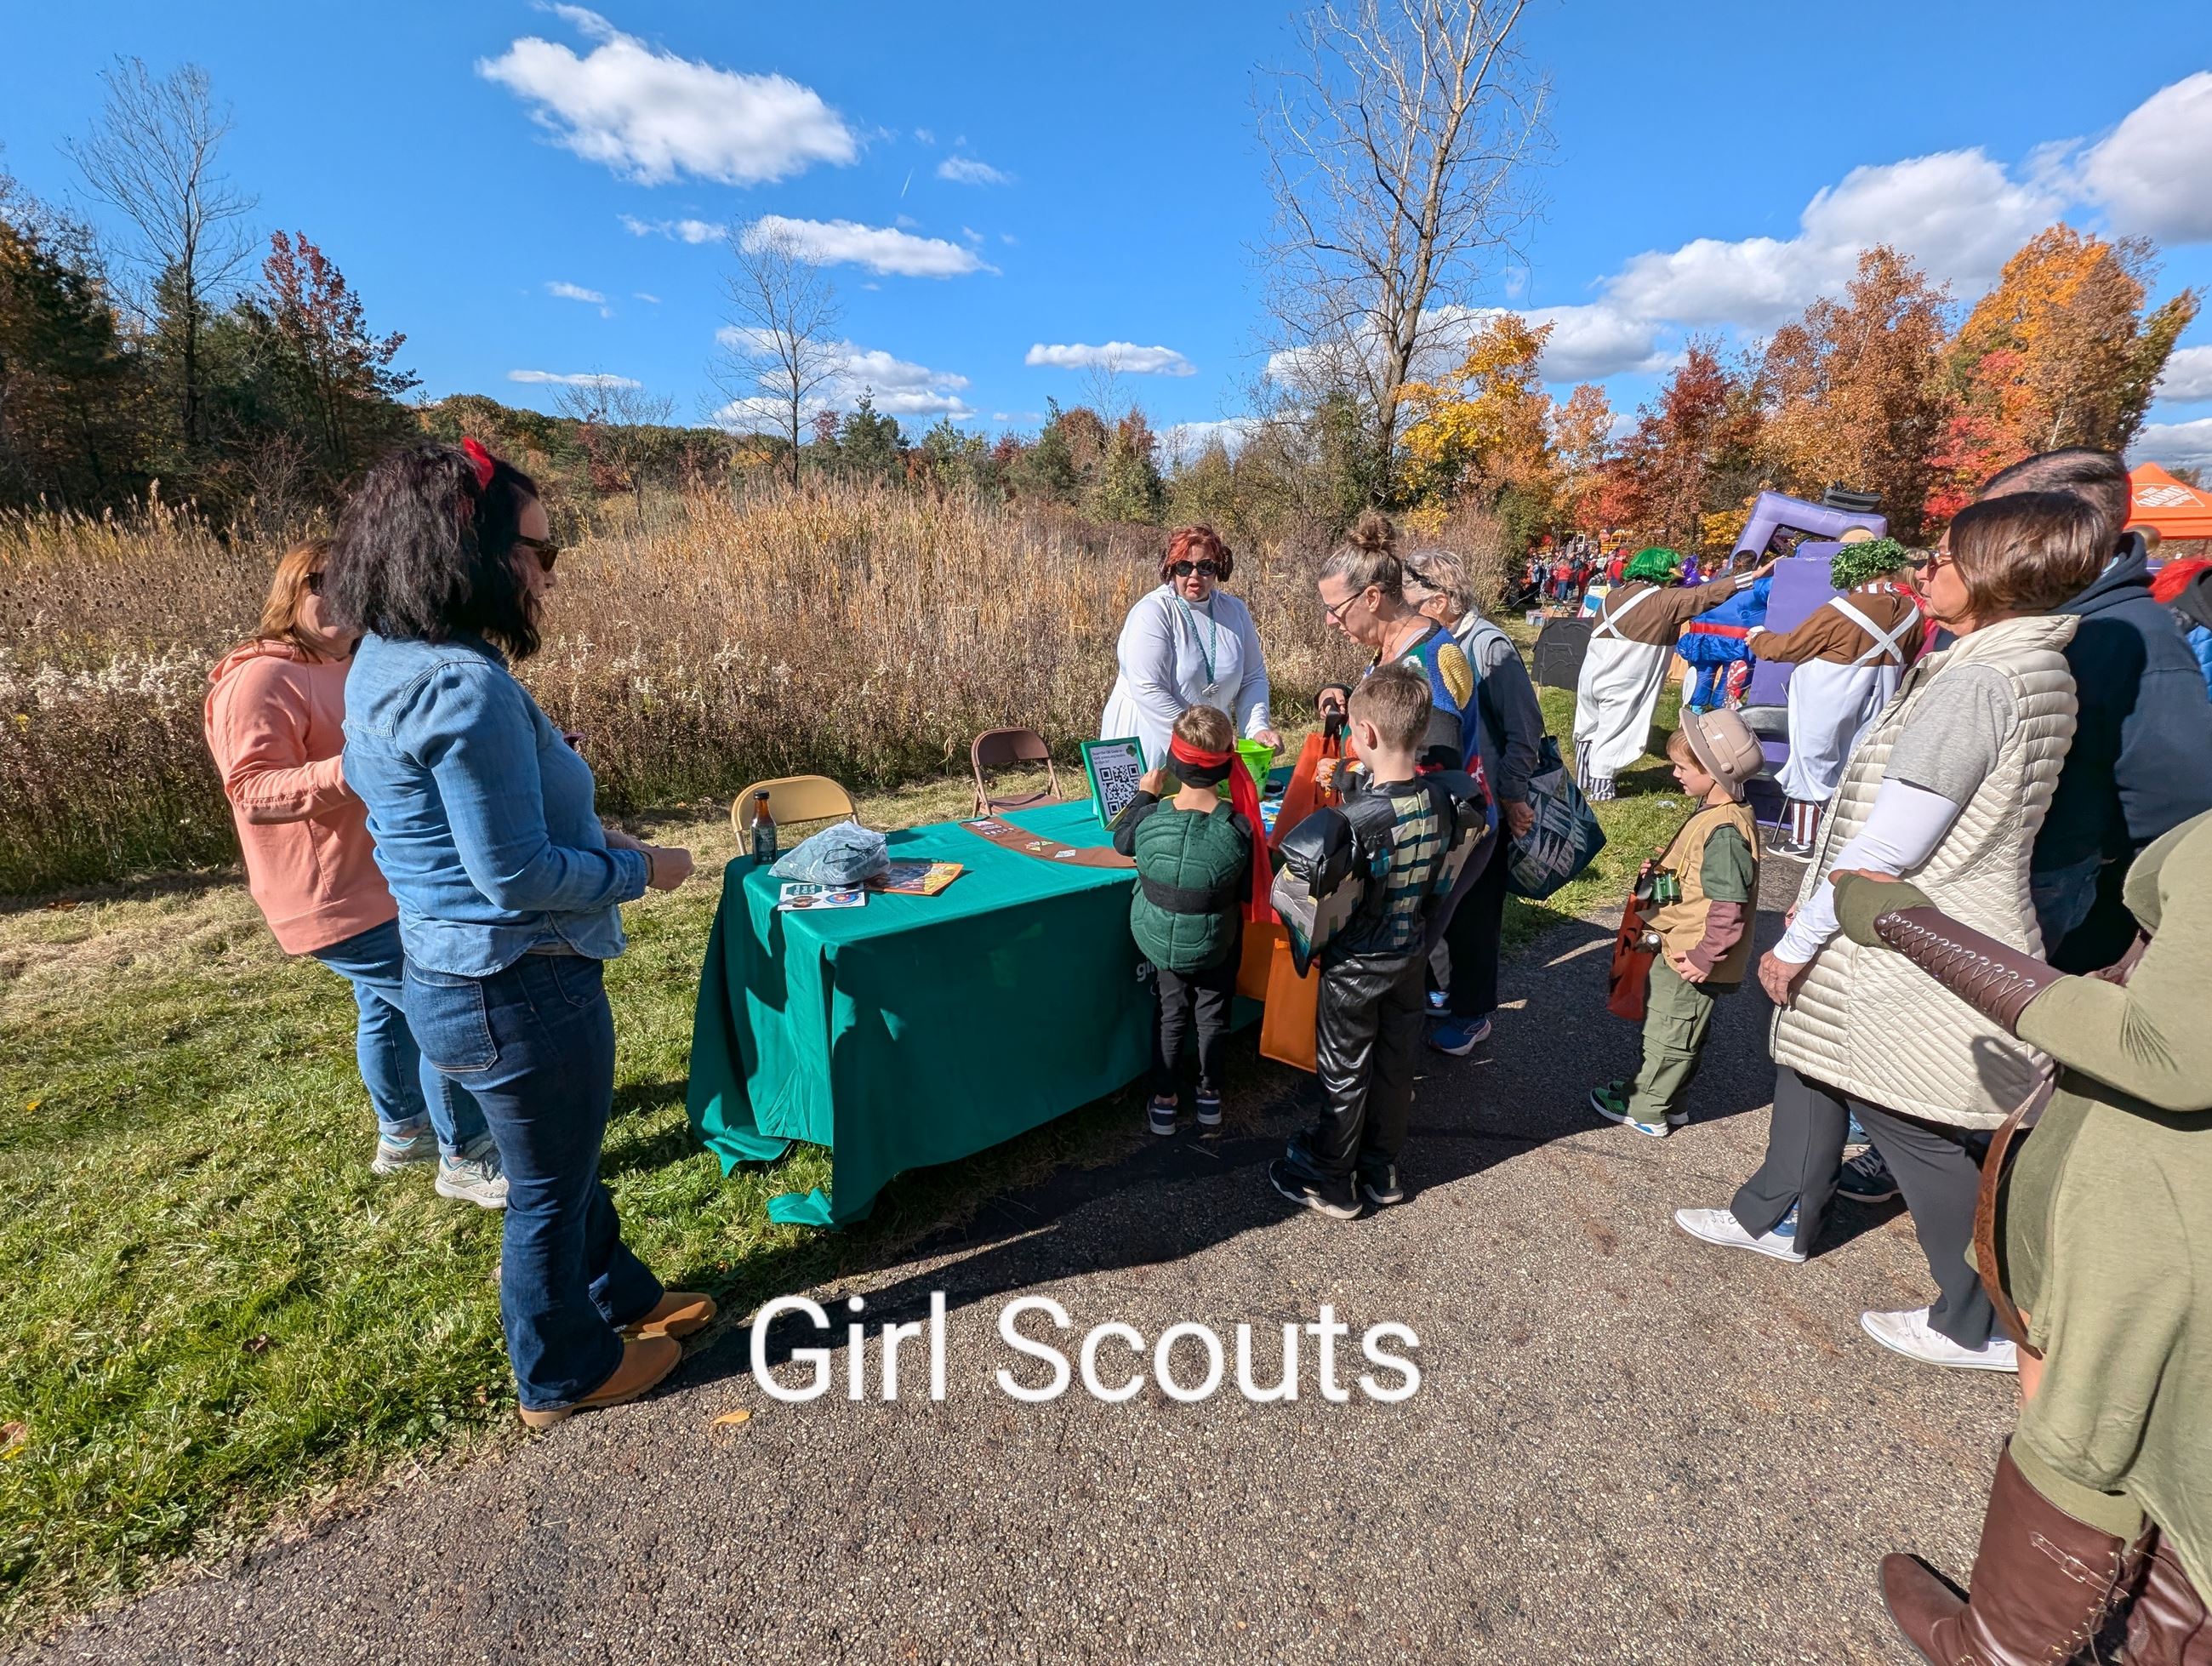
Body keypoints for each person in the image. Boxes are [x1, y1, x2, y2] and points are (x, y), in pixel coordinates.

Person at [1673, 491, 2109, 1372]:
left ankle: (1978, 1315)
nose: (1924, 570)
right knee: (1809, 1059)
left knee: (1907, 1115)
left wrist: (1797, 938)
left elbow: (1891, 841)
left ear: (1992, 574)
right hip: (1902, 914)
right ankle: (1777, 1212)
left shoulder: (1982, 681)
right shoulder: (2010, 664)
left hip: (1915, 926)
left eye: (1941, 558)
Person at [327, 438, 712, 1430]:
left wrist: (592, 827)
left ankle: (618, 1298)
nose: (550, 574)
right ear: (470, 551)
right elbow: (515, 874)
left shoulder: (384, 658)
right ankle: (560, 1371)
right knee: (547, 1190)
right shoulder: (466, 684)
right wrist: (643, 869)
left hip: (451, 976)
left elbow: (486, 831)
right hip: (518, 981)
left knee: (564, 1165)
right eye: (541, 551)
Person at [1830, 814, 2212, 1666]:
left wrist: (1902, 919)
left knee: (2090, 1411)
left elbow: (2166, 1049)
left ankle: (1996, 1648)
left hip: (2172, 1195)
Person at [202, 540, 505, 1208]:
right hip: (331, 894)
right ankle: (468, 1153)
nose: (339, 597)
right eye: (321, 582)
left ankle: (404, 1135)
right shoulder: (260, 679)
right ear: (290, 590)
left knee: (387, 1009)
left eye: (356, 582)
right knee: (442, 1010)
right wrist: (360, 766)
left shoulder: (360, 663)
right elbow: (251, 789)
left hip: (388, 876)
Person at [1978, 449, 2212, 973]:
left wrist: (2134, 948)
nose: (1973, 550)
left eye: (1986, 530)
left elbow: (2181, 817)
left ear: (2053, 532)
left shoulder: (2136, 642)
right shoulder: (2035, 617)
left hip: (2044, 902)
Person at [1269, 668, 1454, 1220]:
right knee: (1397, 1065)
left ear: (1366, 735)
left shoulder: (1351, 823)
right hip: (1409, 956)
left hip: (1356, 967)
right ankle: (1381, 1169)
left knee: (1345, 1071)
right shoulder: (1443, 800)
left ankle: (1331, 1178)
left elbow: (1300, 897)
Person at [1589, 710, 1764, 1139]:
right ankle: (1672, 1100)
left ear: (1714, 773)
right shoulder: (1719, 812)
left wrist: (1706, 956)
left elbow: (1729, 903)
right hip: (1681, 943)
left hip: (1692, 953)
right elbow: (1698, 877)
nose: (1674, 773)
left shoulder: (1724, 833)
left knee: (1670, 1032)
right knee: (1678, 1028)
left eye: (1683, 767)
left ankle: (1647, 1107)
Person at [1402, 548, 1543, 1053]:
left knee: (1477, 913)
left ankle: (1474, 1013)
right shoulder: (1431, 644)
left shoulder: (1487, 645)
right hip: (1451, 800)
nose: (1403, 605)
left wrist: (1511, 794)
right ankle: (1447, 991)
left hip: (1483, 803)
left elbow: (1525, 727)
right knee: (1448, 907)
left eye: (1410, 596)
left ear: (1440, 599)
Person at [1112, 704, 1264, 1138]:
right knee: (1213, 1014)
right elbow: (1252, 887)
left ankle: (1164, 1099)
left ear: (1173, 762)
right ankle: (1210, 1097)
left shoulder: (1149, 817)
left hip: (1161, 941)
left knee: (1170, 1012)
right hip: (1216, 942)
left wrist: (1145, 792)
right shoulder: (1239, 827)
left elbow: (1122, 841)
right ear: (1229, 760)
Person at [1747, 537, 1925, 856]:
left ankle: (1803, 841)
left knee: (1811, 761)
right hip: (1882, 692)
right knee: (1859, 764)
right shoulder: (1912, 611)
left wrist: (1759, 637)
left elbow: (1787, 647)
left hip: (1828, 694)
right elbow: (1909, 655)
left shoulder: (1842, 608)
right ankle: (1841, 840)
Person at [1571, 546, 1771, 802]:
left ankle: (1583, 782)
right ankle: (1601, 793)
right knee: (1615, 731)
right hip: (1624, 678)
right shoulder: (1662, 601)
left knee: (1588, 727)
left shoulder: (1613, 596)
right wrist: (1750, 578)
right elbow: (1705, 594)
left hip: (1592, 673)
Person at [1098, 523, 1281, 775]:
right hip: (1151, 737)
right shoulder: (1152, 612)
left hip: (1211, 743)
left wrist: (1257, 727)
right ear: (1171, 570)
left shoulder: (1235, 611)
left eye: (1205, 567)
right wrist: (1205, 738)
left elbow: (1253, 677)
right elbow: (1149, 689)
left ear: (1219, 569)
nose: (1195, 576)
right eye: (1184, 567)